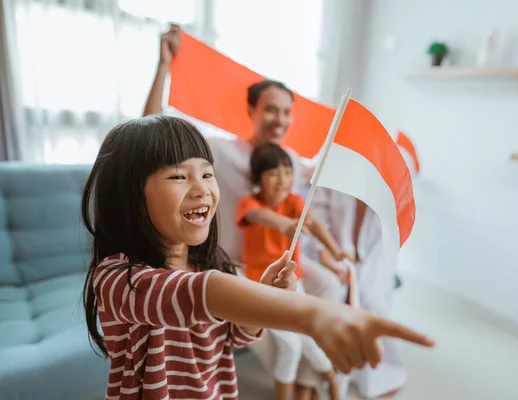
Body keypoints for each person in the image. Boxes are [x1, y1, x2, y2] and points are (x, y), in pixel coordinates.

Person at [81, 115, 434, 399]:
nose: (202, 187)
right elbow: (198, 294)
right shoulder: (119, 278)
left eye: (207, 173)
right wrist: (315, 314)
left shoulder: (208, 263)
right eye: (178, 176)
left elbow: (234, 337)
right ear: (128, 197)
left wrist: (267, 294)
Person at [143, 24, 348, 396]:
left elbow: (303, 215)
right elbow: (149, 131)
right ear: (252, 110)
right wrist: (163, 65)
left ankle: (305, 383)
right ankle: (304, 378)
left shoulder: (290, 161)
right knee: (286, 335)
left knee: (331, 284)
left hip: (279, 259)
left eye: (287, 112)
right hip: (235, 263)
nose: (280, 120)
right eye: (271, 109)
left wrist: (330, 255)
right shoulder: (220, 152)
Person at [236, 144, 355, 399]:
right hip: (262, 287)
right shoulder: (249, 203)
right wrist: (283, 223)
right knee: (291, 345)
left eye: (288, 173)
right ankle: (325, 383)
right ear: (257, 179)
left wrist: (335, 250)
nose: (282, 180)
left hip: (292, 283)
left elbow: (314, 224)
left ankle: (331, 382)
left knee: (304, 336)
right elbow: (257, 216)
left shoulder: (295, 201)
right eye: (273, 173)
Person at [305, 187, 408, 399]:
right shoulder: (335, 170)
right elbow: (316, 215)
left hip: (373, 259)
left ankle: (360, 367)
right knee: (332, 291)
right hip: (327, 250)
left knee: (367, 296)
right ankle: (322, 371)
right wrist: (328, 253)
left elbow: (387, 240)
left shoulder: (392, 186)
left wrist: (357, 270)